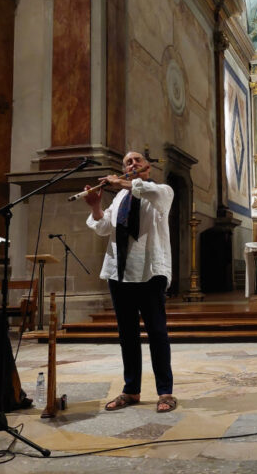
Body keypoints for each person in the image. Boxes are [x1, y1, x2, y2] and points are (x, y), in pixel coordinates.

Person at [83, 150, 177, 413]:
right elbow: (104, 228)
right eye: (127, 162)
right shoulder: (121, 198)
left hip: (150, 272)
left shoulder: (161, 191)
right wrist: (95, 206)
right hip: (119, 272)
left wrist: (121, 182)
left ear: (148, 166)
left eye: (137, 160)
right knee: (127, 334)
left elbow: (147, 192)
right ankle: (131, 389)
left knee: (157, 333)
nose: (133, 164)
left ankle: (165, 391)